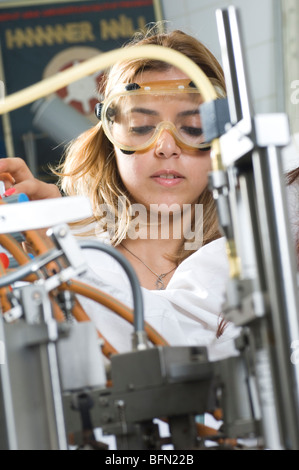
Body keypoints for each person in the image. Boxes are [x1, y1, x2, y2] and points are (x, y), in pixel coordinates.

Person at [0, 23, 239, 361]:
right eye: (141, 127)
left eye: (192, 128)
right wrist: (48, 249)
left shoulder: (253, 252)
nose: (167, 146)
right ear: (111, 139)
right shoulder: (79, 247)